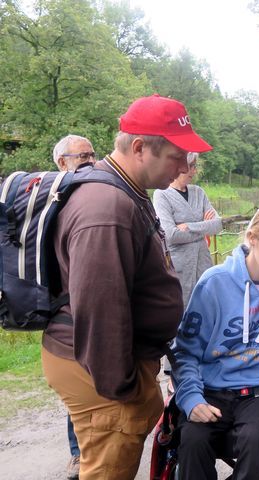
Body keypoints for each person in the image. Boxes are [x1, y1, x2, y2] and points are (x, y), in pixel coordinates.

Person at [41, 94, 212, 479]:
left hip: (104, 369)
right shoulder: (107, 209)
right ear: (139, 148)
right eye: (177, 156)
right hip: (102, 378)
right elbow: (100, 310)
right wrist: (127, 391)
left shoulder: (126, 192)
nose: (186, 167)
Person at [173, 204, 259, 480]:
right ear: (252, 238)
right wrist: (190, 397)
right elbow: (185, 351)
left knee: (256, 438)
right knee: (192, 439)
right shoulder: (214, 283)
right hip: (212, 388)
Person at [51, 134, 97, 480]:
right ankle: (79, 454)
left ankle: (89, 452)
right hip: (69, 308)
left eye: (93, 153)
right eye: (80, 156)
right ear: (61, 163)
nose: (89, 160)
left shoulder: (96, 193)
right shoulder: (57, 201)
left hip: (93, 304)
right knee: (81, 382)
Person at [153, 152, 222, 307]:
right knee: (181, 312)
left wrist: (190, 226)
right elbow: (171, 235)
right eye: (191, 166)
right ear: (180, 166)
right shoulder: (161, 195)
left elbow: (217, 225)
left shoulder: (199, 192)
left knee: (208, 308)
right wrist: (204, 227)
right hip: (180, 269)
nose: (194, 171)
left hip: (203, 265)